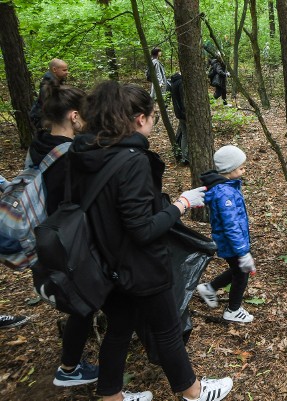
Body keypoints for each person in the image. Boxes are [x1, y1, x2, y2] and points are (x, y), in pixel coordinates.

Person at [68, 81, 233, 401]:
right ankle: (194, 393)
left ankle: (111, 396)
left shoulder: (86, 154)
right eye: (154, 116)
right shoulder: (132, 161)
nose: (155, 121)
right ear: (140, 118)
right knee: (167, 329)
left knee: (119, 328)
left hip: (104, 263)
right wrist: (180, 205)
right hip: (139, 265)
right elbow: (142, 229)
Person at [27, 81, 100, 387]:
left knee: (82, 304)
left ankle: (70, 367)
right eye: (82, 115)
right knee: (84, 302)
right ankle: (69, 370)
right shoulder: (71, 154)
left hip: (44, 237)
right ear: (73, 116)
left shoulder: (38, 145)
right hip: (68, 241)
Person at [196, 146, 255, 323]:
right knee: (241, 273)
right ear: (229, 170)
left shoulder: (227, 186)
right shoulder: (224, 193)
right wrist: (243, 252)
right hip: (231, 242)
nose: (244, 170)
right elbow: (231, 226)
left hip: (233, 241)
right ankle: (233, 310)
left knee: (238, 270)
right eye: (241, 167)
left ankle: (209, 288)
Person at [29, 58, 69, 130]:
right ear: (54, 69)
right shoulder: (48, 85)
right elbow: (48, 105)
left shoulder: (56, 81)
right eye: (64, 70)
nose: (67, 72)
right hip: (42, 118)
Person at [169, 72, 188, 164]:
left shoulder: (174, 82)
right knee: (186, 135)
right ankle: (185, 157)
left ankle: (184, 156)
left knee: (184, 134)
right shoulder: (180, 82)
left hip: (179, 113)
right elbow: (183, 100)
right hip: (184, 114)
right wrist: (187, 113)